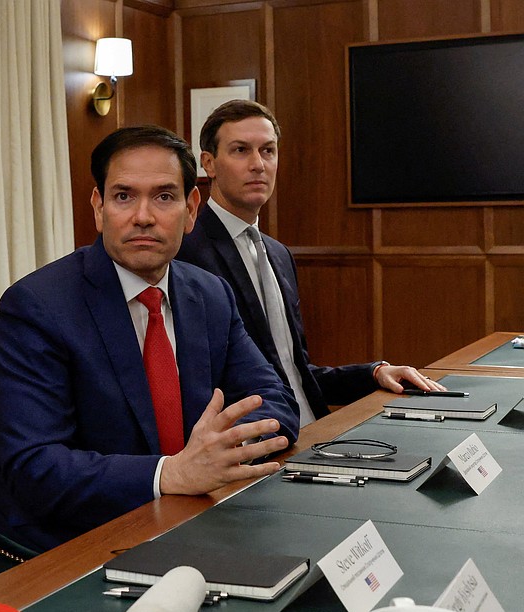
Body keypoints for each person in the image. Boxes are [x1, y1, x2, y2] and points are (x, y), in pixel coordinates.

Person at [0, 125, 299, 553]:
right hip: (72, 544)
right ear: (99, 208)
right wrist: (172, 473)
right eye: (123, 196)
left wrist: (221, 452)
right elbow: (33, 465)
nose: (143, 216)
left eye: (164, 197)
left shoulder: (209, 294)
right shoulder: (37, 306)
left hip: (193, 520)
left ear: (191, 210)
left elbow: (274, 398)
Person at [177, 100, 442, 426]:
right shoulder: (186, 255)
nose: (258, 164)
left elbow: (294, 372)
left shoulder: (278, 254)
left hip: (315, 428)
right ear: (209, 163)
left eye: (268, 151)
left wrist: (373, 373)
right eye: (241, 150)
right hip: (259, 439)